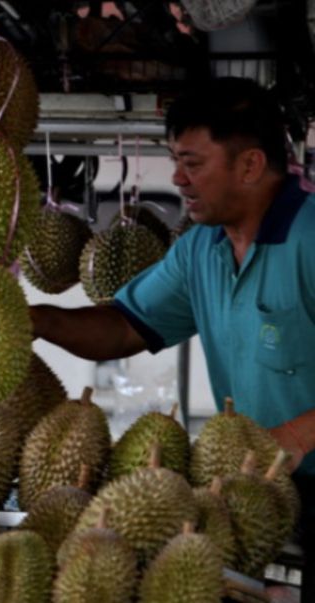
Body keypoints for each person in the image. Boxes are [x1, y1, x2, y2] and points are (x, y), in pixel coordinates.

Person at [29, 77, 315, 598]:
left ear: (249, 165)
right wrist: (39, 320)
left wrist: (295, 438)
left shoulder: (311, 237)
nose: (178, 177)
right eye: (174, 160)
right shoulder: (201, 248)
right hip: (259, 494)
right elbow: (123, 327)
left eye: (193, 162)